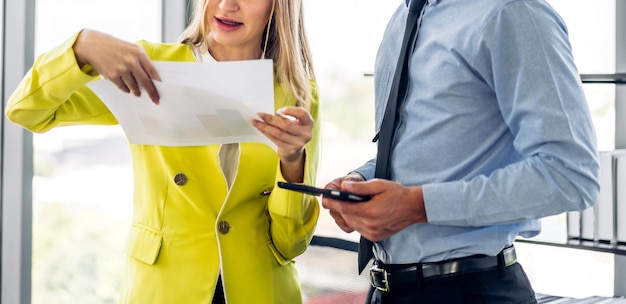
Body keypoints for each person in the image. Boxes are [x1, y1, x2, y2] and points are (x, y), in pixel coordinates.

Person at [5, 0, 320, 303]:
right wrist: (79, 48)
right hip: (164, 288)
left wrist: (291, 160)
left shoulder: (297, 93)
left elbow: (290, 243)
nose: (227, 4)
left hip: (261, 292)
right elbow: (26, 111)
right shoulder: (151, 67)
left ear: (279, 5)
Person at [322, 0, 600, 303]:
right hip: (386, 290)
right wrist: (360, 180)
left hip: (471, 291)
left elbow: (571, 175)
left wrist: (419, 205)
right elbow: (414, 152)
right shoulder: (405, 16)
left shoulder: (512, 11)